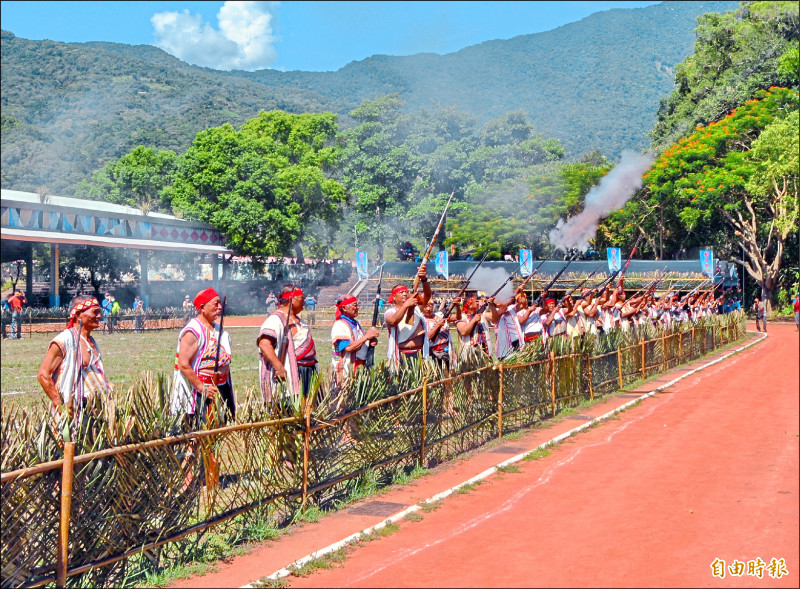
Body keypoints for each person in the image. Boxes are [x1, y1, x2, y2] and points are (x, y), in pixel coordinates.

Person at [37, 295, 112, 416]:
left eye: (99, 312)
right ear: (78, 315)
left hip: (94, 413)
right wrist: (59, 403)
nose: (99, 316)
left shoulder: (91, 341)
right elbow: (43, 374)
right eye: (95, 312)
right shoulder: (64, 340)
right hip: (72, 413)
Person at [171, 288, 235, 427]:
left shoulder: (219, 330)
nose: (220, 307)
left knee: (217, 432)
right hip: (201, 391)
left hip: (220, 386)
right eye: (215, 304)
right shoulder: (193, 331)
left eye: (220, 304)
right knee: (199, 433)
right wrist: (202, 388)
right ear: (202, 307)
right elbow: (183, 364)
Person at [258, 284, 318, 407]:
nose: (304, 301)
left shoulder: (299, 321)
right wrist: (279, 367)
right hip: (291, 373)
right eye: (301, 298)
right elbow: (264, 344)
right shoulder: (275, 320)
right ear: (292, 299)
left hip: (307, 372)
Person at [384, 265, 432, 368]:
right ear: (394, 297)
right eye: (401, 292)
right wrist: (406, 305)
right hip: (401, 354)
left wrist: (423, 279)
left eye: (406, 292)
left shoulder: (417, 309)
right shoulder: (390, 311)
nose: (405, 294)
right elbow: (393, 321)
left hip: (419, 353)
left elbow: (427, 296)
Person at [331, 294, 379, 386]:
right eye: (355, 305)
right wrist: (367, 337)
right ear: (345, 308)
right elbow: (348, 347)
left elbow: (362, 340)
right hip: (348, 369)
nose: (357, 308)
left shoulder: (357, 324)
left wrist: (370, 341)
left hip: (360, 367)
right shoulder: (340, 325)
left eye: (357, 305)